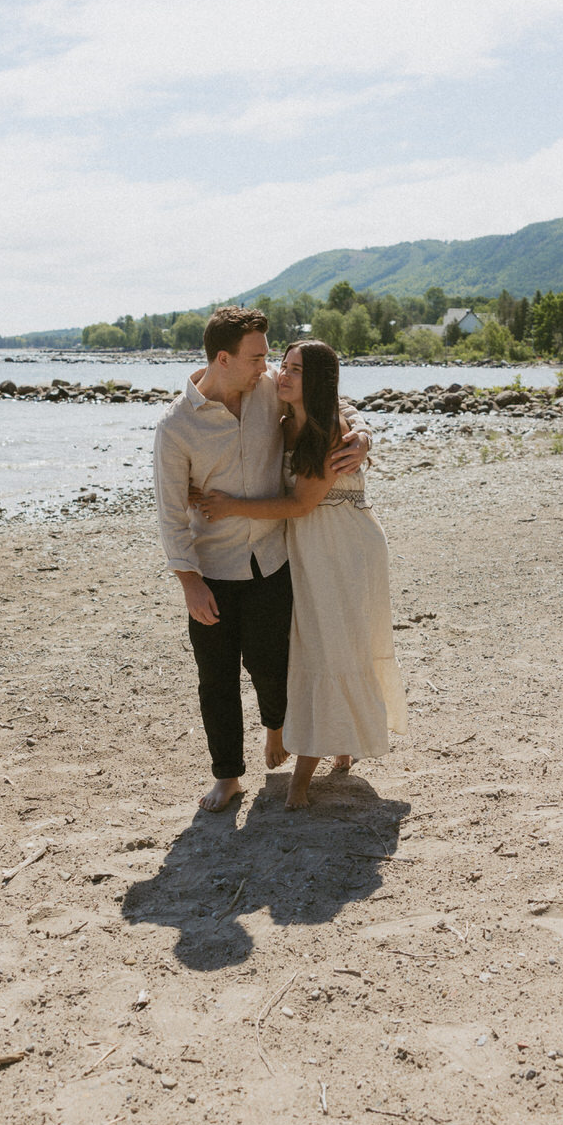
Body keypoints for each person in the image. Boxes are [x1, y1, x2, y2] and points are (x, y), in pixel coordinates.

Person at [153, 307, 370, 813]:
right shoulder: (176, 427)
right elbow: (170, 516)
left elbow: (330, 399)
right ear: (223, 358)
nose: (267, 367)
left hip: (274, 559)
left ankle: (278, 727)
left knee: (273, 668)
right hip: (213, 568)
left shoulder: (268, 387)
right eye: (258, 357)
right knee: (217, 678)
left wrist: (361, 434)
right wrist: (189, 582)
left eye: (269, 358)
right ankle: (227, 776)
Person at [194, 340, 407, 809]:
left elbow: (301, 503)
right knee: (321, 642)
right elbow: (207, 380)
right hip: (306, 546)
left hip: (344, 547)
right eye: (283, 366)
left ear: (319, 381)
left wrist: (230, 506)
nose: (283, 375)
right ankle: (342, 746)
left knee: (328, 645)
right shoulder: (283, 409)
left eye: (296, 371)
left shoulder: (332, 428)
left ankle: (302, 780)